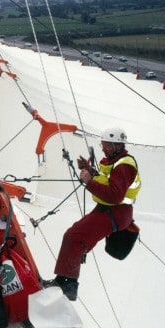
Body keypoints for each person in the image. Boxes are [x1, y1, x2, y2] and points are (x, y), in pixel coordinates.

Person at [43, 127, 141, 300]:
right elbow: (108, 181)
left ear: (117, 145)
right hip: (111, 211)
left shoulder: (124, 165)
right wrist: (90, 170)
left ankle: (68, 285)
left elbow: (114, 195)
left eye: (106, 146)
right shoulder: (117, 161)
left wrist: (89, 182)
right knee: (75, 234)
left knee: (74, 236)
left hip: (115, 212)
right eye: (102, 145)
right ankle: (63, 280)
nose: (103, 148)